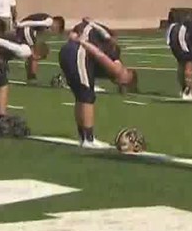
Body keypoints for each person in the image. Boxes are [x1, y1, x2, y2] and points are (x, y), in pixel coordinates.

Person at [59, 18, 136, 149]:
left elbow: (80, 30)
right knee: (87, 97)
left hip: (69, 51)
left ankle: (84, 137)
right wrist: (83, 42)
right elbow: (99, 54)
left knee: (82, 97)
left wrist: (80, 36)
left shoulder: (102, 38)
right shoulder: (116, 62)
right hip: (78, 51)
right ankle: (89, 139)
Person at [15, 13, 64, 82]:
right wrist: (20, 24)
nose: (55, 29)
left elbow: (37, 35)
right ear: (57, 22)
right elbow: (33, 23)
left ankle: (30, 74)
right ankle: (32, 76)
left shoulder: (46, 24)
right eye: (58, 27)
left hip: (25, 29)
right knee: (34, 54)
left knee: (33, 54)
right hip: (26, 28)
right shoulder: (49, 21)